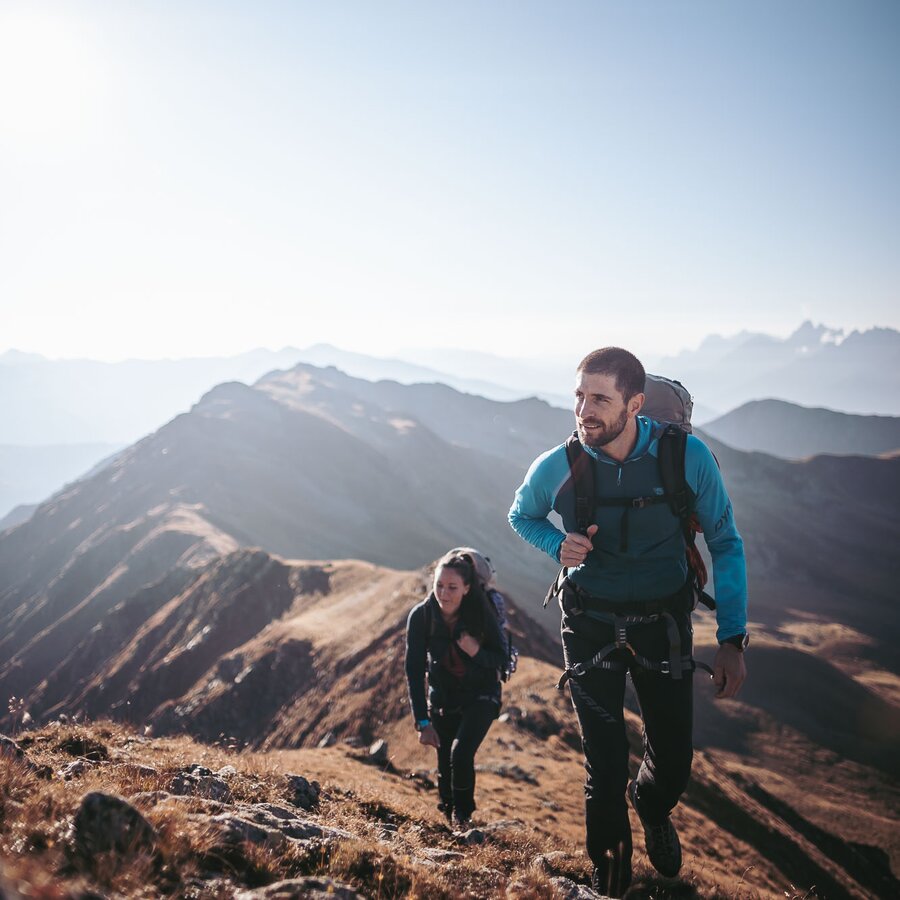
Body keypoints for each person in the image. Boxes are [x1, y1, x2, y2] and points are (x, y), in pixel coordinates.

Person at [508, 347, 748, 896]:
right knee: (604, 766)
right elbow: (520, 514)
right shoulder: (559, 464)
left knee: (673, 765)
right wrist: (556, 543)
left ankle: (652, 803)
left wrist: (733, 638)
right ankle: (609, 885)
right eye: (578, 396)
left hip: (662, 624)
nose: (583, 410)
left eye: (599, 399)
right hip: (589, 623)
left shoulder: (687, 459)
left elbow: (726, 543)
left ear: (635, 404)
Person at [405, 550, 507, 831]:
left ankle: (463, 820)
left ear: (467, 588)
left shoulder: (482, 613)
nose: (443, 593)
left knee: (460, 754)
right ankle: (449, 815)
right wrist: (422, 722)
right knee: (445, 765)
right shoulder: (421, 617)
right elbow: (414, 671)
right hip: (443, 701)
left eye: (452, 587)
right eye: (439, 585)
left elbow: (501, 658)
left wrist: (476, 652)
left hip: (482, 696)